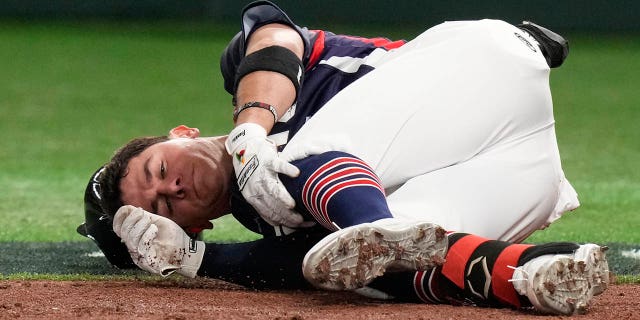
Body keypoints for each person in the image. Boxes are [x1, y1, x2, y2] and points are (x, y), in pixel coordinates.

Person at [77, 0, 610, 315]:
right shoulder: (271, 226)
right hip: (520, 173)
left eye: (158, 170)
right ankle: (529, 274)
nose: (170, 190)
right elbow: (317, 265)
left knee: (287, 161)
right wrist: (196, 262)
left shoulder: (248, 83)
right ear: (196, 226)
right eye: (166, 209)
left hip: (484, 71)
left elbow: (273, 32)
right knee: (375, 270)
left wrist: (251, 130)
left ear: (180, 132)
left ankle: (379, 227)